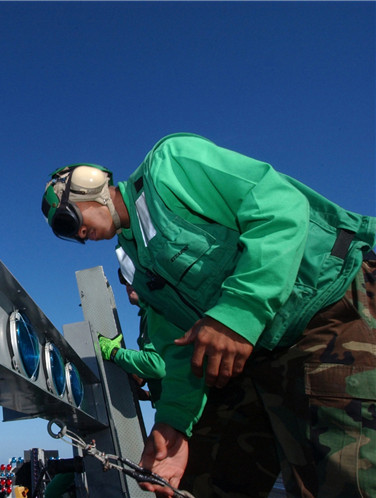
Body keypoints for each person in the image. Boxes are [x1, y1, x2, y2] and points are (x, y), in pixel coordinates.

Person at [40, 133, 376, 497]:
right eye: (68, 235)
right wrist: (173, 422)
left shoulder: (170, 164)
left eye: (68, 221)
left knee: (344, 480)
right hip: (259, 352)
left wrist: (237, 313)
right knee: (202, 480)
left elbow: (280, 209)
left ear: (86, 185)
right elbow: (178, 345)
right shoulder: (136, 262)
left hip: (330, 310)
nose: (80, 235)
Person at [98, 281, 165, 403]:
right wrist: (150, 394)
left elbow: (156, 365)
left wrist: (113, 352)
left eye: (132, 278)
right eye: (124, 282)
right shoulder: (147, 314)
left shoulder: (158, 312)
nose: (128, 285)